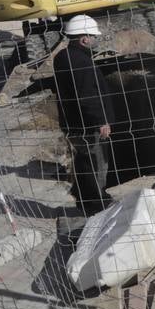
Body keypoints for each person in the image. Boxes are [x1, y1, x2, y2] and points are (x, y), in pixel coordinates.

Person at [53, 15, 115, 214]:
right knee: (96, 164)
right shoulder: (83, 63)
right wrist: (101, 121)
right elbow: (88, 96)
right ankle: (98, 204)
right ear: (84, 39)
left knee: (82, 161)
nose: (94, 40)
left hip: (71, 121)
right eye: (92, 36)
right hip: (86, 124)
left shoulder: (62, 56)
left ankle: (85, 200)